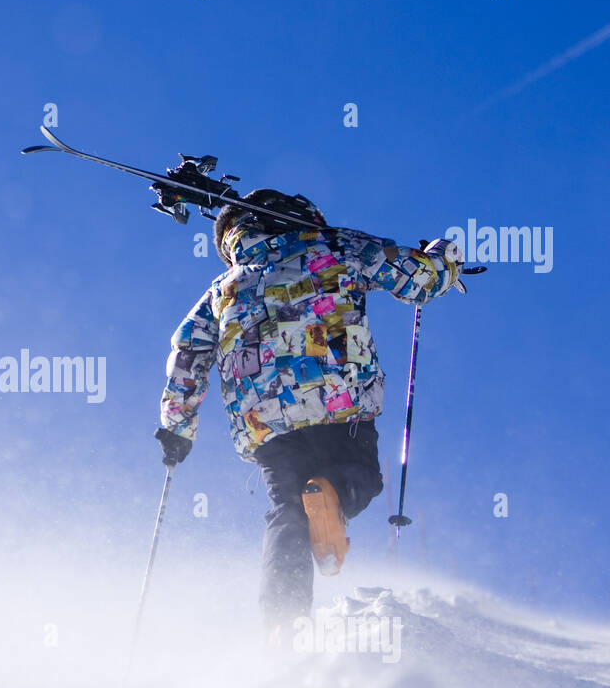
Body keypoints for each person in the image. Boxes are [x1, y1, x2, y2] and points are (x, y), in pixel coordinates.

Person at [154, 189, 464, 628]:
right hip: (338, 396)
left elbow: (188, 353)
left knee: (286, 510)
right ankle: (332, 494)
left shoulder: (223, 288)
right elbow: (415, 277)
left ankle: (283, 620)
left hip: (265, 420)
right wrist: (443, 259)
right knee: (361, 478)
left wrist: (177, 427)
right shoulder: (338, 246)